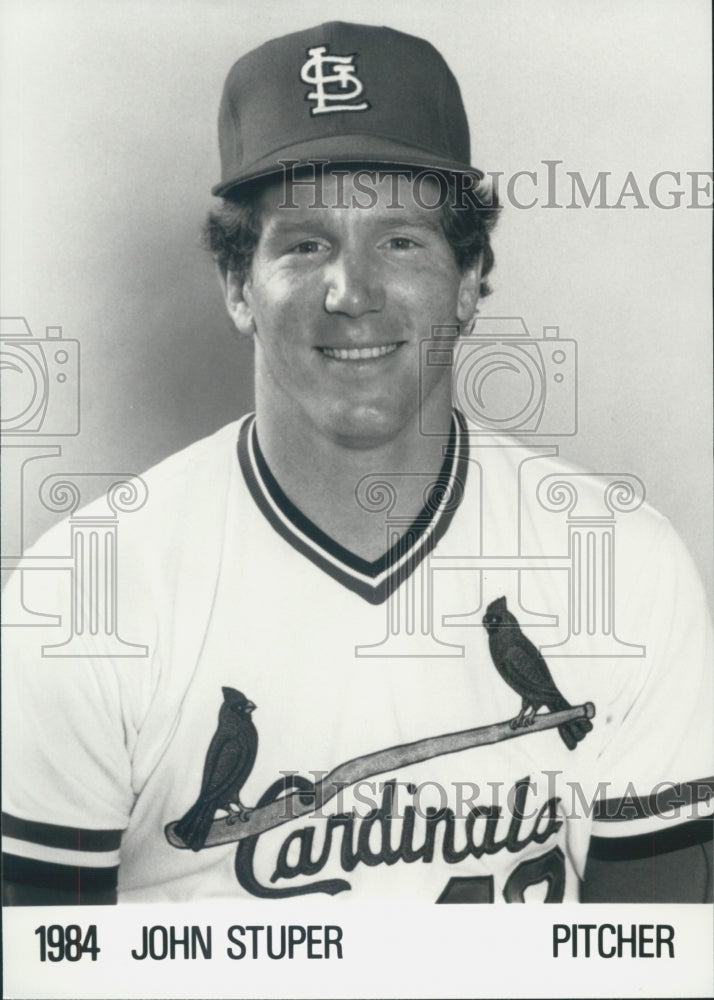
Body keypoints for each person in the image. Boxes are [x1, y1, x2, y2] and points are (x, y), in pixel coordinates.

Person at [2, 21, 712, 905]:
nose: (353, 293)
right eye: (304, 244)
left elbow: (664, 956)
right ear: (236, 286)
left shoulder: (624, 566)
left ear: (469, 275)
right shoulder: (81, 591)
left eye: (401, 240)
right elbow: (38, 965)